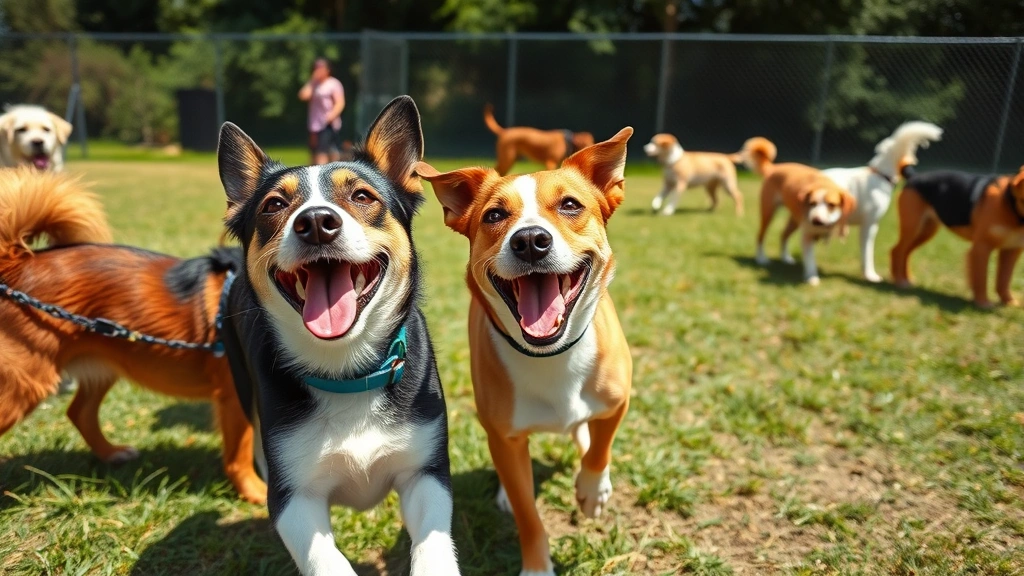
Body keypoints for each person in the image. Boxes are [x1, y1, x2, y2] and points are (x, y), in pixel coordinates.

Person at [299, 58, 345, 165]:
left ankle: (322, 177)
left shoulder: (333, 83)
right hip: (314, 124)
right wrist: (312, 81)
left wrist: (331, 115)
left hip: (327, 124)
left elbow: (340, 102)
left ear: (328, 70)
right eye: (316, 68)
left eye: (321, 68)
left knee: (322, 152)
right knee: (314, 153)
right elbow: (303, 95)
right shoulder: (314, 84)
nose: (318, 70)